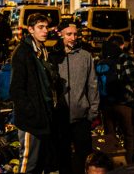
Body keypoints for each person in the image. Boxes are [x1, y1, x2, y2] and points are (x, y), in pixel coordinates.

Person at [10, 13, 58, 174]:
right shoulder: (23, 52)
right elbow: (16, 89)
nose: (45, 31)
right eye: (40, 27)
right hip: (31, 120)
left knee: (41, 163)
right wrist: (31, 112)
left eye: (46, 27)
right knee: (29, 164)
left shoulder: (41, 50)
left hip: (43, 117)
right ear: (30, 30)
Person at [54, 19, 99, 174]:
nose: (73, 38)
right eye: (69, 34)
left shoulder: (86, 56)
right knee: (63, 158)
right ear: (60, 35)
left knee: (84, 157)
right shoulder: (52, 56)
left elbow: (92, 84)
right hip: (60, 117)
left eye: (75, 34)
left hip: (82, 117)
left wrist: (93, 111)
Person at [97, 35, 134, 159]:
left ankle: (112, 161)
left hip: (106, 103)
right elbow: (132, 77)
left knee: (110, 135)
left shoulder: (102, 59)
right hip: (123, 101)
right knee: (129, 134)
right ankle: (127, 161)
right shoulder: (124, 57)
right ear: (121, 45)